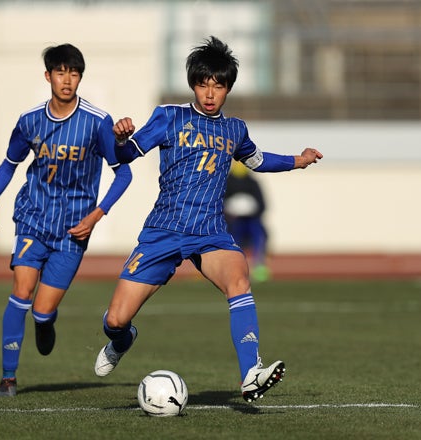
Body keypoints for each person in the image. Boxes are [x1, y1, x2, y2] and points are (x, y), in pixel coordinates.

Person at [93, 36, 323, 403]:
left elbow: (258, 160)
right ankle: (123, 340)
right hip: (163, 230)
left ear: (228, 87)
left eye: (218, 84)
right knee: (116, 320)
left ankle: (250, 373)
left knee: (239, 279)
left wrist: (298, 159)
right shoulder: (168, 117)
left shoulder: (235, 130)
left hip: (210, 231)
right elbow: (128, 154)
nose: (210, 92)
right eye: (203, 83)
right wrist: (120, 138)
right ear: (193, 84)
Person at [0, 44, 132, 397]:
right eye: (61, 72)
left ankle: (44, 323)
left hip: (73, 229)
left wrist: (96, 215)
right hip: (33, 218)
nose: (68, 80)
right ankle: (8, 377)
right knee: (21, 292)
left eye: (74, 73)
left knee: (43, 311)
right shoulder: (30, 120)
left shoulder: (97, 122)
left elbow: (123, 174)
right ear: (48, 76)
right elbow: (9, 164)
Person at [224, 161, 270, 282]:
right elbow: (220, 203)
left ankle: (259, 266)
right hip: (233, 222)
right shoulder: (227, 182)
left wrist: (252, 211)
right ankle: (233, 268)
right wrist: (230, 213)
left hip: (252, 219)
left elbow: (262, 204)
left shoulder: (253, 183)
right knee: (232, 241)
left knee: (260, 236)